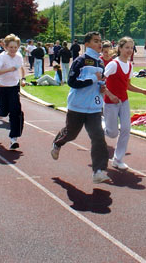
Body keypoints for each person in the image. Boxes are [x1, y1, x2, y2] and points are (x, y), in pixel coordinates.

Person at [51, 31, 111, 183]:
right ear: (87, 44)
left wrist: (102, 87)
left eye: (100, 41)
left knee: (98, 137)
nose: (100, 44)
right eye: (96, 41)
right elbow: (72, 82)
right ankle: (58, 143)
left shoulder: (101, 62)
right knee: (71, 134)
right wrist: (92, 79)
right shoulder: (80, 60)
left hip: (95, 108)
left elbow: (100, 81)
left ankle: (99, 171)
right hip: (77, 106)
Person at [103, 37, 146, 170]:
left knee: (126, 128)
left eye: (131, 48)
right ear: (120, 48)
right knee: (112, 133)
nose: (129, 50)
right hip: (110, 103)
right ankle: (100, 128)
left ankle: (118, 159)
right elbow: (101, 83)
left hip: (124, 101)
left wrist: (142, 91)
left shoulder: (130, 65)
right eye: (127, 47)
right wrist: (110, 95)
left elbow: (128, 86)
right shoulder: (113, 64)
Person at [0, 34, 26, 150]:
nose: (13, 50)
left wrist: (23, 79)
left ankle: (13, 139)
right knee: (4, 112)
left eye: (15, 47)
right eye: (11, 47)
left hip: (13, 88)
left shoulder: (19, 57)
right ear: (6, 47)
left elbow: (21, 68)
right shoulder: (1, 57)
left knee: (16, 112)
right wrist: (8, 70)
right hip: (2, 88)